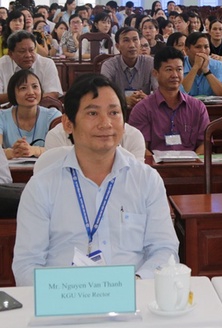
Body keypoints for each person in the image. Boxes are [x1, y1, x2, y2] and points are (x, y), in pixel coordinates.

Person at [12, 73, 179, 286]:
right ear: (68, 124)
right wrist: (71, 292)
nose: (106, 123)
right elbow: (27, 265)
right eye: (92, 113)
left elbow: (164, 250)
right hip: (64, 305)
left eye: (114, 113)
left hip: (133, 301)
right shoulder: (41, 186)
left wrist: (132, 285)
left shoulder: (146, 180)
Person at [128, 47, 209, 154]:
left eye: (179, 69)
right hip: (155, 168)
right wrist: (157, 167)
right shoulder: (142, 109)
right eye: (169, 69)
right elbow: (139, 147)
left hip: (190, 167)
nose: (175, 75)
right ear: (155, 73)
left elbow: (205, 144)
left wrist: (192, 164)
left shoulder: (197, 107)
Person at [0, 70, 61, 159]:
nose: (31, 92)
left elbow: (62, 149)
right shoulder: (2, 117)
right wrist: (12, 152)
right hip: (11, 171)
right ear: (13, 93)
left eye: (35, 86)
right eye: (23, 88)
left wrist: (35, 150)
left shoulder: (52, 116)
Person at [100, 27, 157, 109]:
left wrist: (148, 99)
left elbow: (159, 90)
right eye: (126, 40)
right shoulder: (109, 65)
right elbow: (104, 93)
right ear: (117, 46)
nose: (132, 45)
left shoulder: (150, 63)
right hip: (118, 110)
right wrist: (124, 99)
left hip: (145, 110)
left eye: (135, 40)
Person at [0, 31, 63, 104]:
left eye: (31, 50)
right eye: (22, 51)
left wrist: (24, 97)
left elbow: (53, 94)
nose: (28, 55)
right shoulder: (1, 64)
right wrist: (26, 97)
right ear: (10, 53)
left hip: (40, 111)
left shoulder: (47, 64)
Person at [182, 32, 222, 97]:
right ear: (187, 50)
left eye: (206, 47)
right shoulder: (179, 65)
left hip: (212, 106)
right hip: (186, 106)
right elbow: (178, 94)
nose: (203, 51)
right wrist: (195, 67)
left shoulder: (218, 65)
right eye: (198, 47)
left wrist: (206, 71)